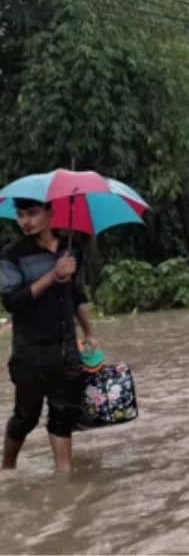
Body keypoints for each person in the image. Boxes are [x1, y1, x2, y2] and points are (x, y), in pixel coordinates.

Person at [1, 198, 94, 473]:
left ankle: (63, 482)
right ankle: (7, 470)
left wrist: (89, 331)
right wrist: (54, 274)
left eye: (32, 213)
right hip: (30, 352)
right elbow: (13, 302)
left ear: (50, 213)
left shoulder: (70, 249)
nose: (25, 222)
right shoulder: (12, 255)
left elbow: (76, 294)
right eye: (20, 215)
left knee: (63, 416)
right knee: (25, 417)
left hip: (66, 349)